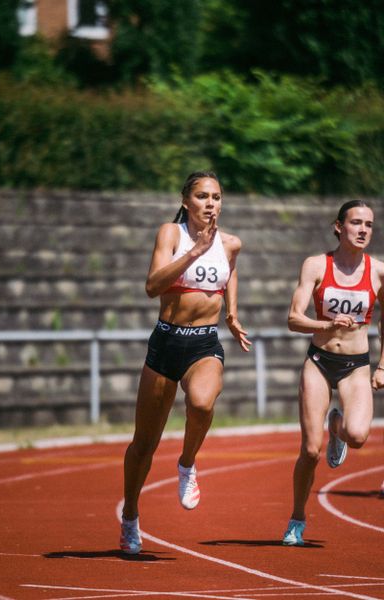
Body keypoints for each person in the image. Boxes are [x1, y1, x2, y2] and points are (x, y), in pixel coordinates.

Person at [120, 170, 251, 554]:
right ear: (185, 201)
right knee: (144, 444)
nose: (211, 203)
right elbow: (151, 286)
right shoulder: (170, 234)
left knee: (201, 403)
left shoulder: (230, 243)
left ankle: (187, 463)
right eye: (203, 196)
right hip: (166, 342)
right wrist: (193, 253)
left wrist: (232, 314)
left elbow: (231, 274)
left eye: (217, 196)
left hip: (203, 343)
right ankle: (130, 515)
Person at [282, 200, 384, 546]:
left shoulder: (378, 271)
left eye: (368, 224)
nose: (363, 230)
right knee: (310, 451)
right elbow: (294, 318)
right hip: (320, 362)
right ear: (339, 226)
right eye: (356, 223)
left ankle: (337, 427)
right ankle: (297, 518)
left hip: (356, 366)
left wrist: (383, 364)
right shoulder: (316, 265)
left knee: (358, 436)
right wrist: (326, 323)